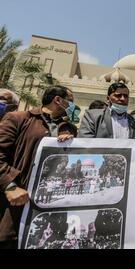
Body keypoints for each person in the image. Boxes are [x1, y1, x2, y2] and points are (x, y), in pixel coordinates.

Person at [0, 85, 76, 248]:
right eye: (71, 102)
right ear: (58, 100)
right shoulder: (19, 118)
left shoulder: (68, 128)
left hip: (47, 212)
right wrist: (10, 186)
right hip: (15, 205)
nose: (73, 107)